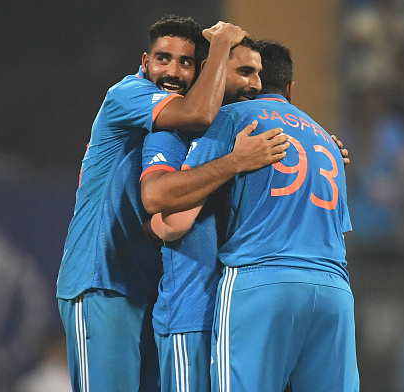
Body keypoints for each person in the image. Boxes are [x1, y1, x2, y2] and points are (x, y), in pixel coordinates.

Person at [55, 15, 290, 392]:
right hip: (101, 280)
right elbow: (199, 113)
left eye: (185, 62)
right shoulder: (128, 94)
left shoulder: (179, 125)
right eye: (163, 58)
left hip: (144, 286)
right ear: (145, 62)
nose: (172, 71)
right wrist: (220, 44)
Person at [148, 40, 359, 392]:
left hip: (261, 280)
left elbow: (177, 217)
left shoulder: (232, 120)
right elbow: (339, 230)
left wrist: (147, 228)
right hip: (334, 289)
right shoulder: (327, 141)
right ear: (290, 87)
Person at [139, 37, 265, 392]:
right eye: (243, 71)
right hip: (192, 315)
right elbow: (171, 219)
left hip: (237, 319)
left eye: (258, 73)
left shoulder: (253, 138)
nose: (254, 84)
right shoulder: (171, 136)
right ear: (211, 73)